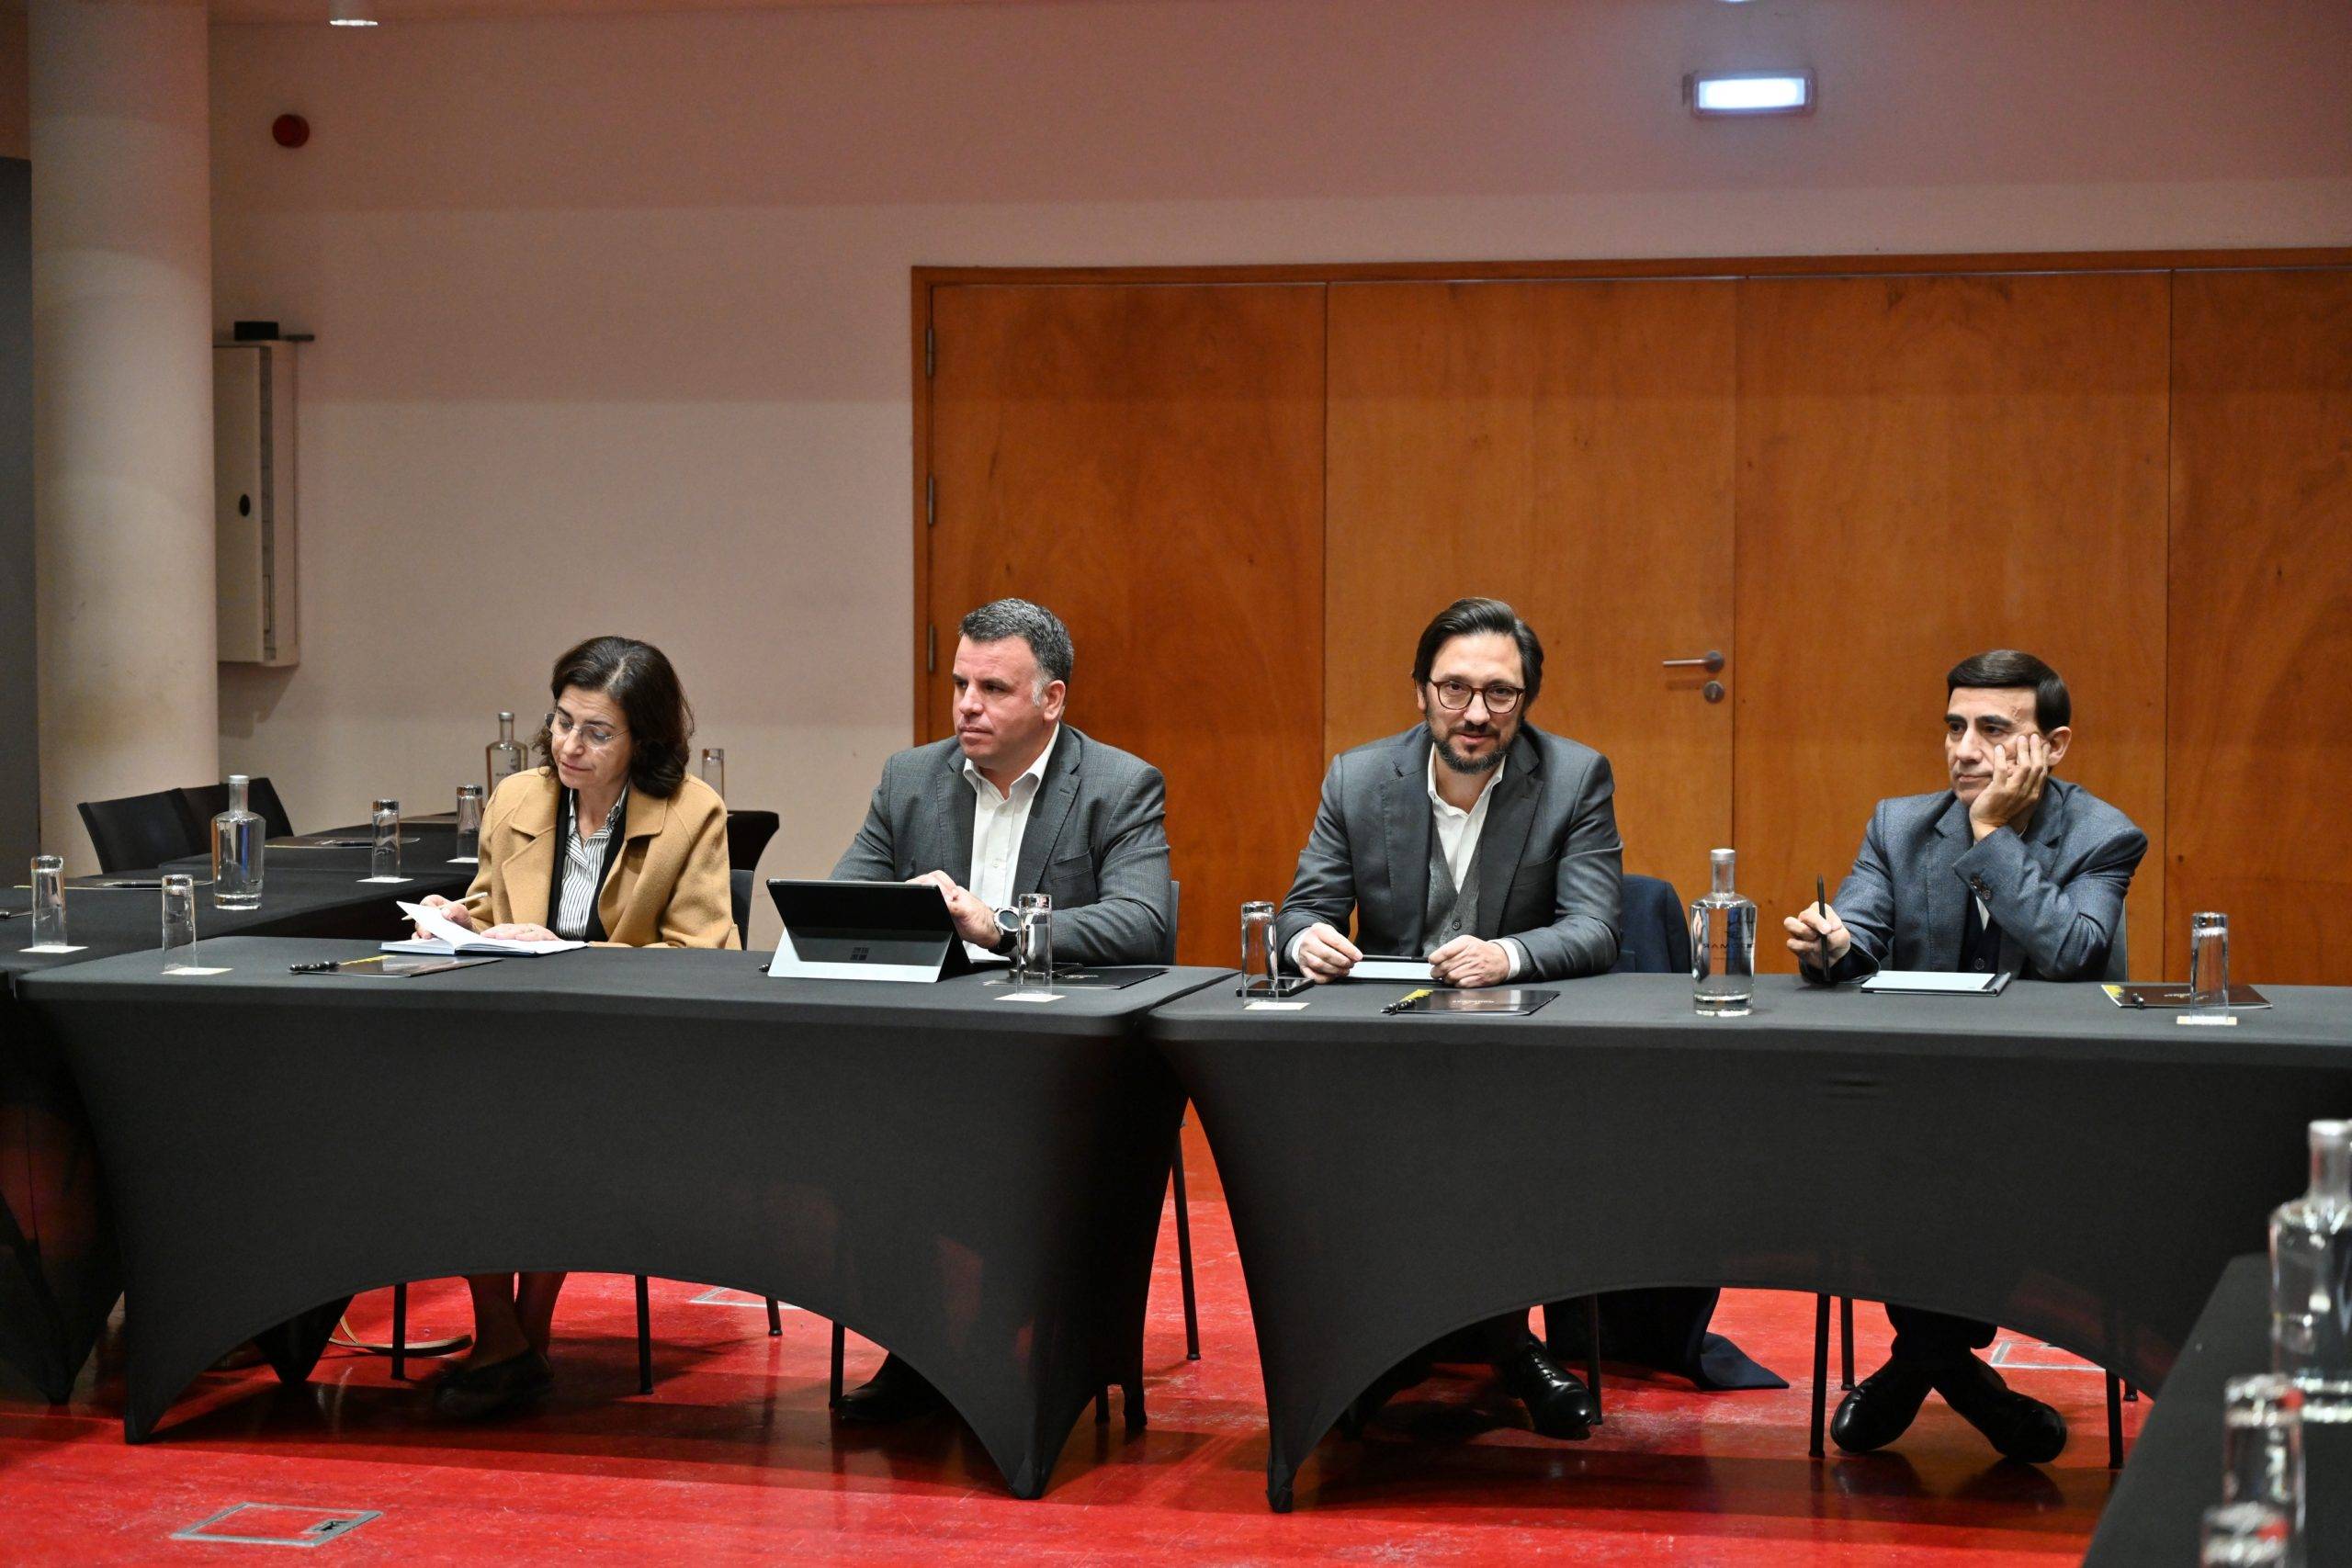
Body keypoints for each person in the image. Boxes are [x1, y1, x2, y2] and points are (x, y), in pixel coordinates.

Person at [1784, 649, 2147, 1465]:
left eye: (1992, 729)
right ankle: (1955, 1371)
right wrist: (1830, 944)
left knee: (1953, 1170)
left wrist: (1989, 833)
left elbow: (2072, 954)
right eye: (1954, 727)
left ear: (2053, 745)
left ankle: (1920, 1363)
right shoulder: (1899, 825)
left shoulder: (2104, 835)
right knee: (1882, 1152)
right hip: (1917, 1107)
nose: (1964, 749)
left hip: (2045, 1112)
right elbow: (1859, 936)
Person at [1275, 595, 1622, 1439]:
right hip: (1387, 1047)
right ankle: (1411, 1338)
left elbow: (1596, 925)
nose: (1475, 712)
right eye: (1454, 688)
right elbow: (1302, 909)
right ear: (1421, 691)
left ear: (1525, 700)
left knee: (1493, 1133)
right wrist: (1305, 939)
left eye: (1500, 692)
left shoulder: (1573, 777)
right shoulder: (1359, 778)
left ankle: (1502, 1343)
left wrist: (1508, 954)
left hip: (1516, 1047)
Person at [831, 597, 1173, 1422]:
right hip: (935, 1047)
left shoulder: (1119, 785)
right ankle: (920, 1349)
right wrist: (903, 907)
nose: (967, 706)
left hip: (1055, 1055)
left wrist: (1001, 924)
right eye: (959, 684)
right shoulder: (910, 778)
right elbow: (842, 900)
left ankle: (1002, 1344)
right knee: (858, 1133)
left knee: (995, 1146)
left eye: (992, 688)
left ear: (1051, 699)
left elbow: (1143, 921)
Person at [415, 635, 738, 1420]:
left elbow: (703, 957)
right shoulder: (517, 798)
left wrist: (571, 950)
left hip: (629, 1049)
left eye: (597, 732)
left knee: (536, 1117)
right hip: (518, 1037)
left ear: (644, 741)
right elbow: (491, 904)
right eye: (562, 722)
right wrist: (457, 917)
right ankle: (508, 1336)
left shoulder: (692, 811)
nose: (569, 745)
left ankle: (517, 1338)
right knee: (451, 1108)